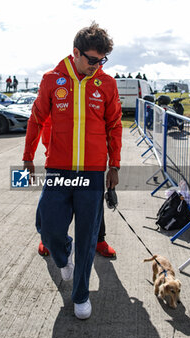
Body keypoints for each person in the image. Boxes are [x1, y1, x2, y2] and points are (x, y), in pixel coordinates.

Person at [22, 22, 122, 320]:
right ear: (75, 52)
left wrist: (114, 165)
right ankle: (62, 255)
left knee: (88, 237)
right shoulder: (52, 80)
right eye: (92, 60)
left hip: (92, 174)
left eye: (102, 61)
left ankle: (80, 295)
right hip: (59, 171)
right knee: (49, 229)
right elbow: (36, 118)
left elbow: (114, 125)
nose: (96, 66)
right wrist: (28, 156)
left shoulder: (107, 84)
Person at [38, 116, 117, 258]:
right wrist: (51, 150)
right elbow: (47, 123)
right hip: (60, 161)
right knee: (51, 204)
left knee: (94, 203)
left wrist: (112, 163)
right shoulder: (55, 94)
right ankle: (47, 239)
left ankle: (99, 240)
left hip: (91, 161)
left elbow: (110, 126)